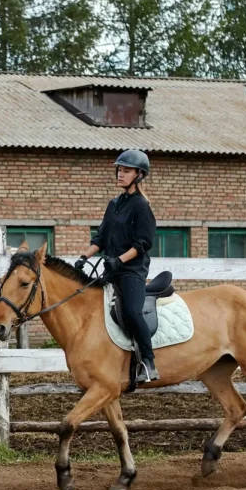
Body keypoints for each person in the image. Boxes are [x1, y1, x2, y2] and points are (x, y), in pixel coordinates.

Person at [74, 149, 159, 383]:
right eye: (119, 169)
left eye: (126, 170)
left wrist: (119, 260)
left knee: (132, 311)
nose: (120, 174)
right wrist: (84, 257)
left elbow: (143, 244)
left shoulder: (142, 207)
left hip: (132, 272)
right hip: (111, 270)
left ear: (139, 175)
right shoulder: (114, 204)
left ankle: (148, 362)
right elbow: (101, 237)